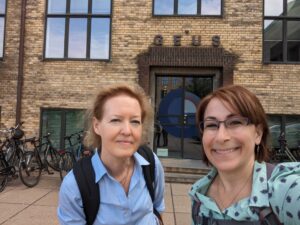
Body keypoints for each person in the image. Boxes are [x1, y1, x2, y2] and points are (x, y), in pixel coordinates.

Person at [189, 85, 300, 225]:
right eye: (211, 125)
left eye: (235, 122)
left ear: (258, 133)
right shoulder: (199, 196)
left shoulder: (284, 192)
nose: (221, 137)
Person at [58, 83, 165, 225]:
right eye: (115, 120)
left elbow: (158, 210)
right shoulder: (74, 186)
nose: (127, 131)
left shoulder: (152, 163)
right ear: (97, 126)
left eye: (135, 121)